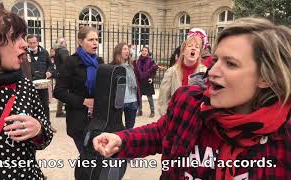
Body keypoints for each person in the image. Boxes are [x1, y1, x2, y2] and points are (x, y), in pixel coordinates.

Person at [93, 17, 291, 179]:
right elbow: (162, 132)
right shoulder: (190, 102)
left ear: (265, 77)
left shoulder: (284, 138)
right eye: (215, 60)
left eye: (230, 63)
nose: (212, 71)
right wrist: (122, 139)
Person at [0, 1, 53, 179]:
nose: (24, 44)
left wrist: (38, 129)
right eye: (15, 37)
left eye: (23, 37)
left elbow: (44, 136)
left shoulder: (23, 84)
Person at [53, 26, 103, 179]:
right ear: (80, 41)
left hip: (98, 120)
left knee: (98, 159)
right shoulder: (71, 62)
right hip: (78, 121)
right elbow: (58, 91)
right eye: (91, 40)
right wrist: (83, 101)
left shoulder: (99, 62)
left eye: (96, 39)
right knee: (88, 158)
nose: (95, 43)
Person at [157, 29, 208, 116]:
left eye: (197, 47)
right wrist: (168, 118)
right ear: (183, 51)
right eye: (190, 46)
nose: (193, 48)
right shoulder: (172, 72)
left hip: (196, 119)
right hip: (176, 118)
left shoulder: (205, 72)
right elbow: (163, 100)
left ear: (199, 53)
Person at [110, 42, 141, 129]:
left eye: (128, 49)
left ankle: (126, 142)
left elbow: (141, 77)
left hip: (132, 101)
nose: (127, 51)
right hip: (119, 101)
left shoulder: (132, 66)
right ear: (118, 51)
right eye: (125, 49)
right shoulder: (112, 66)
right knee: (116, 127)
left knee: (130, 129)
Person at [27, 34, 53, 122]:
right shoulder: (25, 53)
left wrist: (49, 71)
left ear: (38, 42)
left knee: (45, 105)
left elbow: (50, 65)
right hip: (30, 84)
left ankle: (47, 124)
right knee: (32, 105)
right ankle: (35, 124)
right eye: (30, 43)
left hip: (43, 84)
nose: (32, 45)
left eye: (34, 42)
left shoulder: (44, 52)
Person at [133, 46, 158, 117]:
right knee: (139, 97)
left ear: (148, 52)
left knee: (149, 98)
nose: (144, 52)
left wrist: (151, 78)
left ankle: (152, 111)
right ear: (141, 51)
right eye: (143, 50)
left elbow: (153, 70)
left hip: (147, 81)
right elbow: (136, 71)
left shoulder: (151, 60)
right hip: (140, 81)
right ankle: (140, 110)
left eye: (146, 51)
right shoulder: (138, 61)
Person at [53, 37, 69, 118]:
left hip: (59, 74)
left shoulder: (57, 51)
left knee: (61, 91)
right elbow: (67, 63)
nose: (66, 43)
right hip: (64, 75)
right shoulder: (63, 50)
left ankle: (59, 111)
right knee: (64, 92)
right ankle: (60, 111)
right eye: (64, 42)